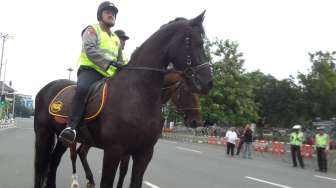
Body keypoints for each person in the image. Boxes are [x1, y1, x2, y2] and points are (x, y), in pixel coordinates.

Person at [59, 1, 125, 146]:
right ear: (100, 15)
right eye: (107, 12)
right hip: (91, 71)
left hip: (109, 76)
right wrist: (109, 63)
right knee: (82, 89)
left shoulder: (116, 39)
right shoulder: (92, 30)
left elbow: (121, 60)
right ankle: (71, 127)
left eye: (113, 13)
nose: (111, 14)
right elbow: (90, 50)